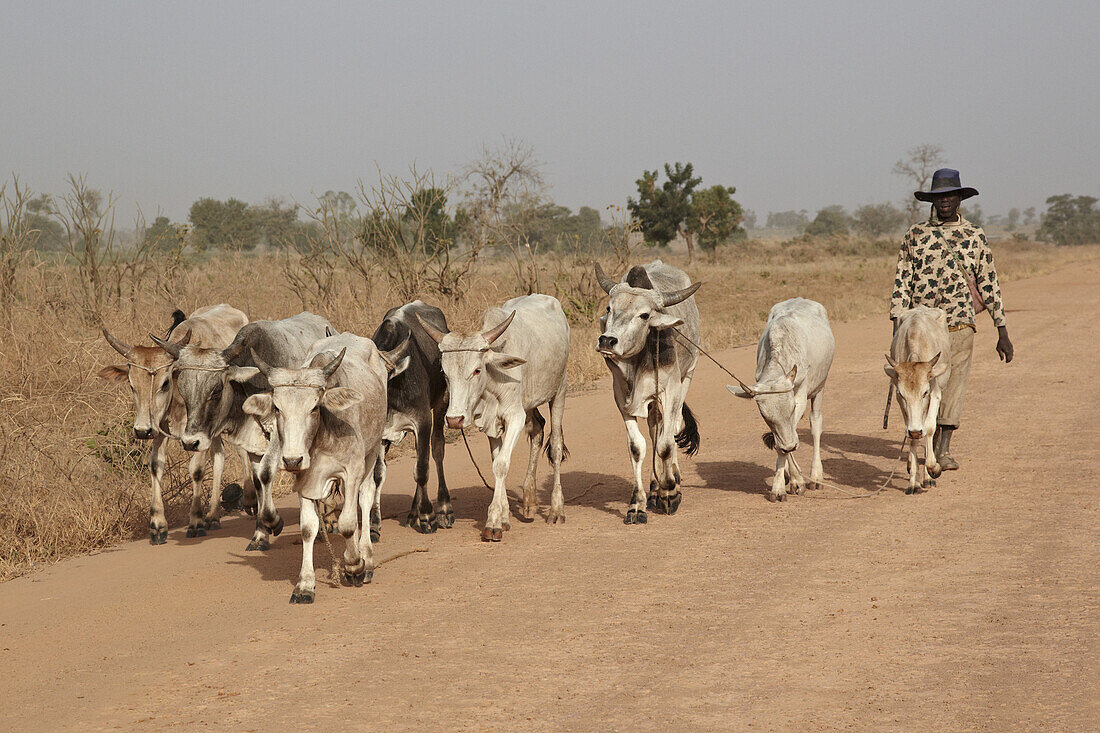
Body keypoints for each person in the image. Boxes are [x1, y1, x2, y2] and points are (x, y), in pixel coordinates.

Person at [889, 168, 1014, 470]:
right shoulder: (915, 235)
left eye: (950, 196)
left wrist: (1002, 329)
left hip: (959, 324)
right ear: (931, 200)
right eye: (939, 197)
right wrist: (897, 326)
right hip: (920, 329)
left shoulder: (974, 236)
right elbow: (903, 280)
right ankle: (926, 445)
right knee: (918, 388)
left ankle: (942, 448)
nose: (945, 201)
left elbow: (988, 282)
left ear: (960, 199)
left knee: (953, 386)